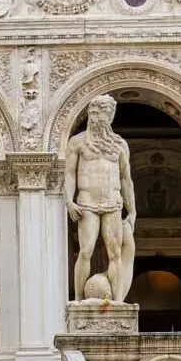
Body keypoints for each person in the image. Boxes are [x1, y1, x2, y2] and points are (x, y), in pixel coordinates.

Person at [63, 93, 137, 303]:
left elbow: (125, 179)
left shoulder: (120, 145)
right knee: (85, 250)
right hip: (87, 203)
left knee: (115, 254)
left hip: (113, 203)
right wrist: (69, 201)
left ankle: (119, 301)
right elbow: (69, 173)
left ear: (111, 116)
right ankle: (78, 300)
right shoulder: (77, 142)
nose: (98, 118)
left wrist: (132, 210)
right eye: (94, 113)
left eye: (103, 113)